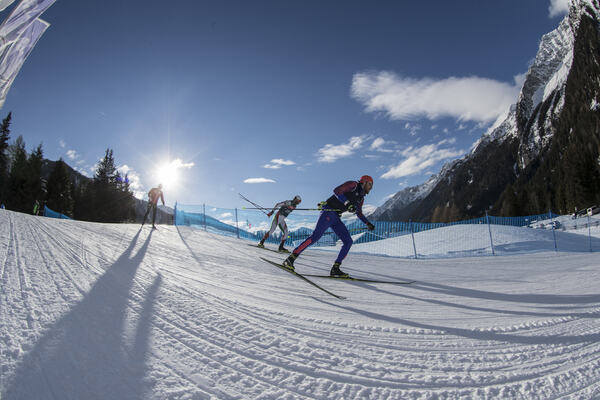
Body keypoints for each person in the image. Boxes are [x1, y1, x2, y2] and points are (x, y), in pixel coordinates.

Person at [283, 175, 375, 277]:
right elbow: (336, 191)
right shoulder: (353, 185)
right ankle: (291, 259)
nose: (371, 187)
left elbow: (359, 213)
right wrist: (348, 204)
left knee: (348, 241)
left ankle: (335, 268)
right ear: (365, 182)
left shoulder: (361, 199)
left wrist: (368, 223)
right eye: (370, 184)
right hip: (328, 211)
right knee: (315, 237)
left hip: (336, 217)